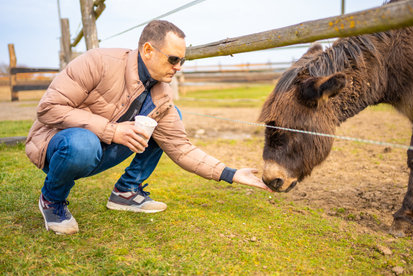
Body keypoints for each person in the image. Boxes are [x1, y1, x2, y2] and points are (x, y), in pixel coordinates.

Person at [25, 20, 271, 235]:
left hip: (103, 147)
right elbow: (49, 108)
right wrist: (113, 131)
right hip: (60, 146)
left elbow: (180, 148)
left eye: (182, 60)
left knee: (169, 119)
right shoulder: (98, 61)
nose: (178, 67)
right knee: (83, 144)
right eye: (173, 59)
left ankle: (126, 192)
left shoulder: (162, 95)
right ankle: (52, 200)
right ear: (148, 50)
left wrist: (230, 173)